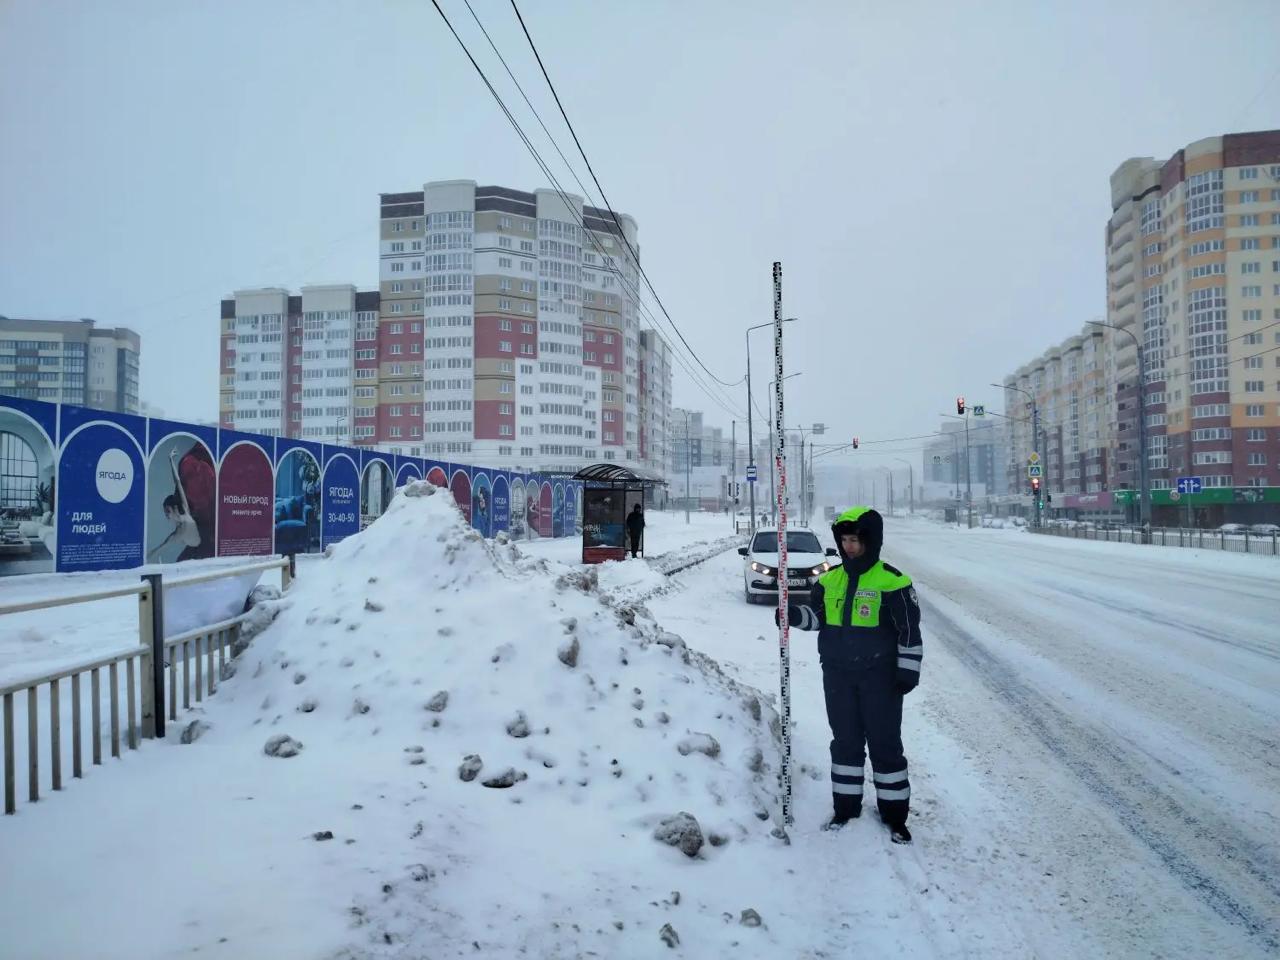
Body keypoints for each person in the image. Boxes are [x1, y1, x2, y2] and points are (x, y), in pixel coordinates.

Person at [777, 506, 922, 843]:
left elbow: (909, 633)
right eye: (844, 540)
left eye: (855, 540)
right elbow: (818, 619)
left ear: (871, 541)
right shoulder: (829, 580)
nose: (849, 547)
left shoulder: (893, 581)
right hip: (838, 676)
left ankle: (895, 816)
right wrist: (792, 615)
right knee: (845, 743)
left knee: (885, 745)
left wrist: (907, 672)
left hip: (881, 678)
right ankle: (845, 807)